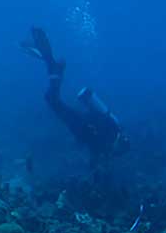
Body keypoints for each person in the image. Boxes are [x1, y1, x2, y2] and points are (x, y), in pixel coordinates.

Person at [21, 27, 129, 169]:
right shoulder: (111, 133)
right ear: (119, 146)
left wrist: (95, 161)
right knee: (51, 99)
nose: (114, 153)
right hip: (78, 122)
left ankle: (53, 66)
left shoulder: (110, 138)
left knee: (51, 99)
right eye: (118, 151)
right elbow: (95, 129)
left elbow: (94, 148)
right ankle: (53, 65)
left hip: (77, 124)